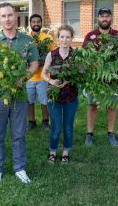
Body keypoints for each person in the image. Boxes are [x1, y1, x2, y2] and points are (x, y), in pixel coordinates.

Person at [0, 2, 39, 184]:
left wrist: (23, 78)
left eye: (10, 15)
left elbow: (34, 63)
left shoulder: (26, 41)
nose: (7, 19)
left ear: (15, 16)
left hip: (19, 95)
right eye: (3, 16)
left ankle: (19, 168)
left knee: (19, 134)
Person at [82, 7, 118, 147]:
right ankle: (89, 134)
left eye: (107, 16)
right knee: (92, 105)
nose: (104, 18)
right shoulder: (90, 36)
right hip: (94, 80)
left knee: (111, 106)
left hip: (112, 79)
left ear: (111, 18)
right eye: (102, 16)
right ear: (98, 19)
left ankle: (111, 134)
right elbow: (84, 57)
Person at [41, 25, 79, 163]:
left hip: (71, 97)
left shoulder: (75, 55)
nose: (64, 40)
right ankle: (52, 151)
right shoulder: (52, 55)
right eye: (62, 37)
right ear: (58, 38)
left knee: (68, 127)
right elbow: (43, 73)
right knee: (56, 128)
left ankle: (65, 152)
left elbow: (79, 75)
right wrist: (51, 81)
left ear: (71, 39)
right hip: (54, 96)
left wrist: (69, 79)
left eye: (67, 37)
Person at [26, 14, 54, 131]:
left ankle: (45, 121)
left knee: (44, 101)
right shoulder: (25, 38)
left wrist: (40, 62)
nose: (36, 24)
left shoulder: (47, 38)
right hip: (28, 76)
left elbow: (51, 55)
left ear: (41, 23)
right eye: (34, 22)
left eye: (38, 21)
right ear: (30, 23)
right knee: (29, 101)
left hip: (43, 76)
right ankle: (31, 121)